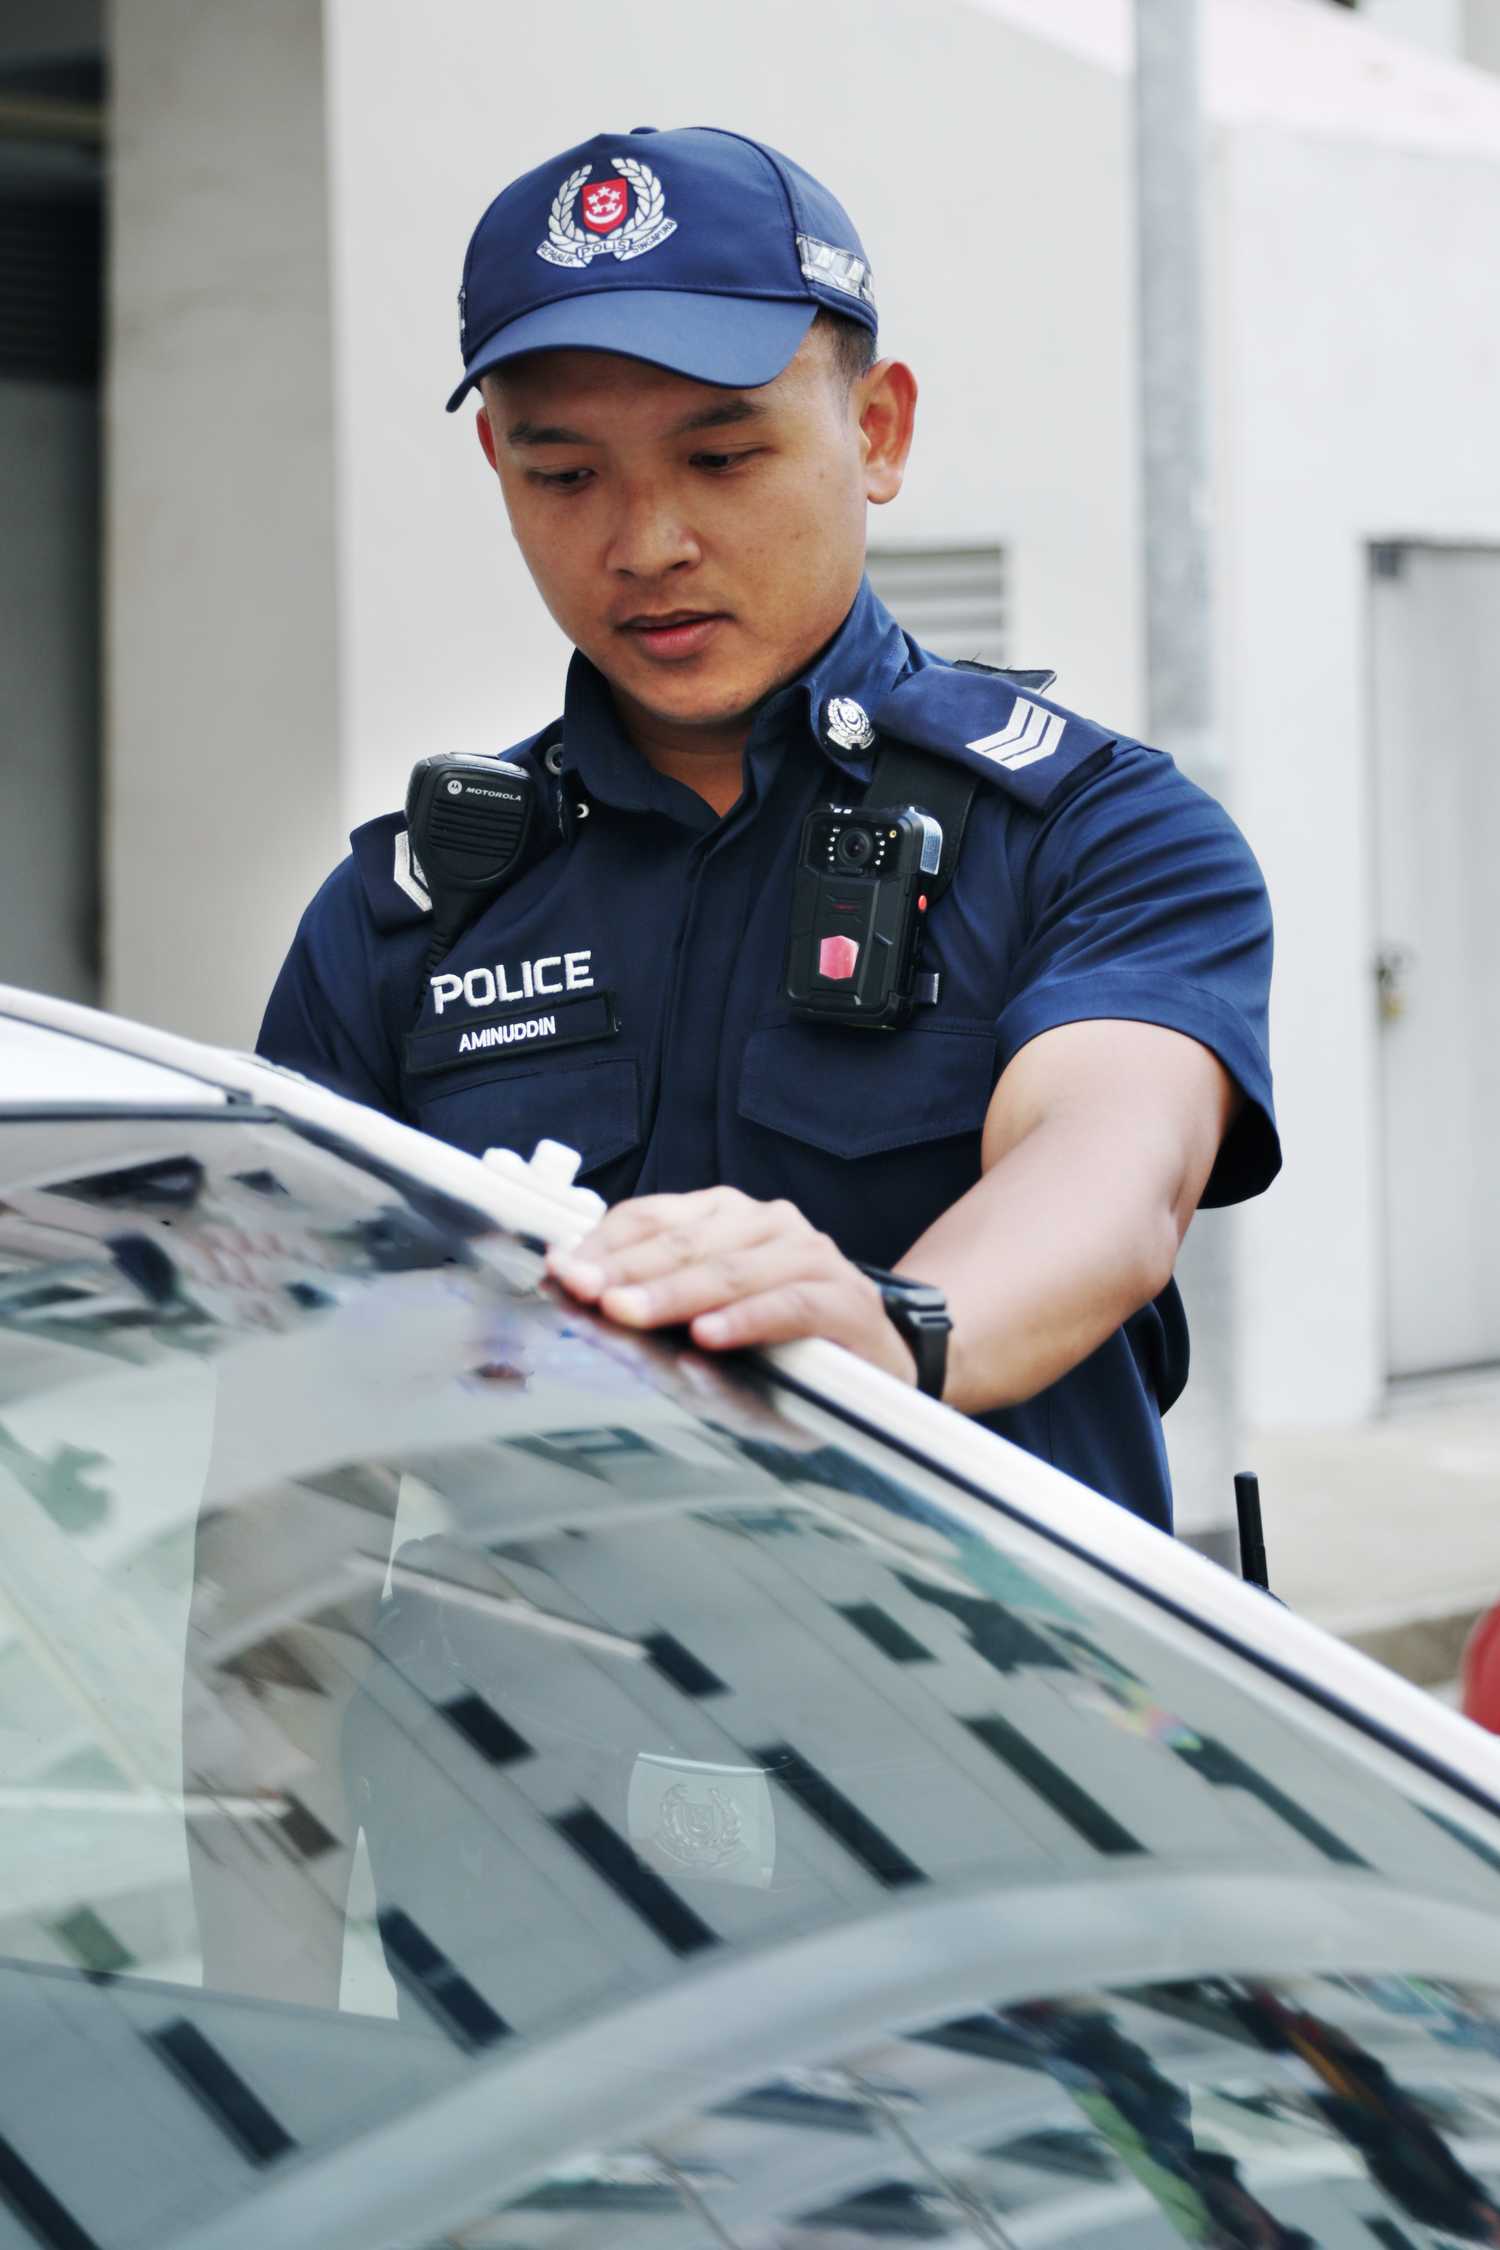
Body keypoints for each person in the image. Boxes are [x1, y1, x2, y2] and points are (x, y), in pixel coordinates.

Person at [258, 124, 1279, 1532]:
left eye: (725, 456)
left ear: (877, 434)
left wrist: (896, 1330)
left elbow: (1118, 1167)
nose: (647, 541)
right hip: (530, 1726)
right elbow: (288, 1438)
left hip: (982, 1731)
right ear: (496, 461)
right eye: (566, 477)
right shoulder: (405, 917)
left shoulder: (1093, 836)